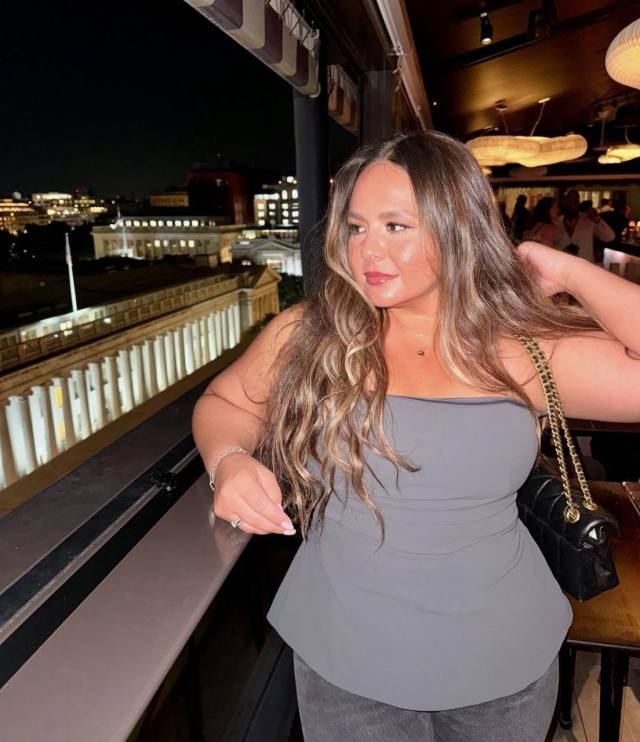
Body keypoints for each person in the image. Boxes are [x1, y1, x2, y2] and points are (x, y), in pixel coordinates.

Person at [193, 130, 640, 742]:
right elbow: (225, 402)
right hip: (346, 665)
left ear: (456, 228)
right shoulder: (314, 335)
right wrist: (228, 460)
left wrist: (565, 268)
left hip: (501, 663)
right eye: (356, 227)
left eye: (396, 226)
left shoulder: (519, 349)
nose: (367, 250)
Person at [557, 188, 614, 262]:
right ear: (563, 202)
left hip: (586, 266)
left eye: (575, 200)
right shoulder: (557, 222)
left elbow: (610, 237)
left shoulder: (589, 219)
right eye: (569, 200)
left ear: (579, 201)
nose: (572, 203)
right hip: (563, 266)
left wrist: (597, 219)